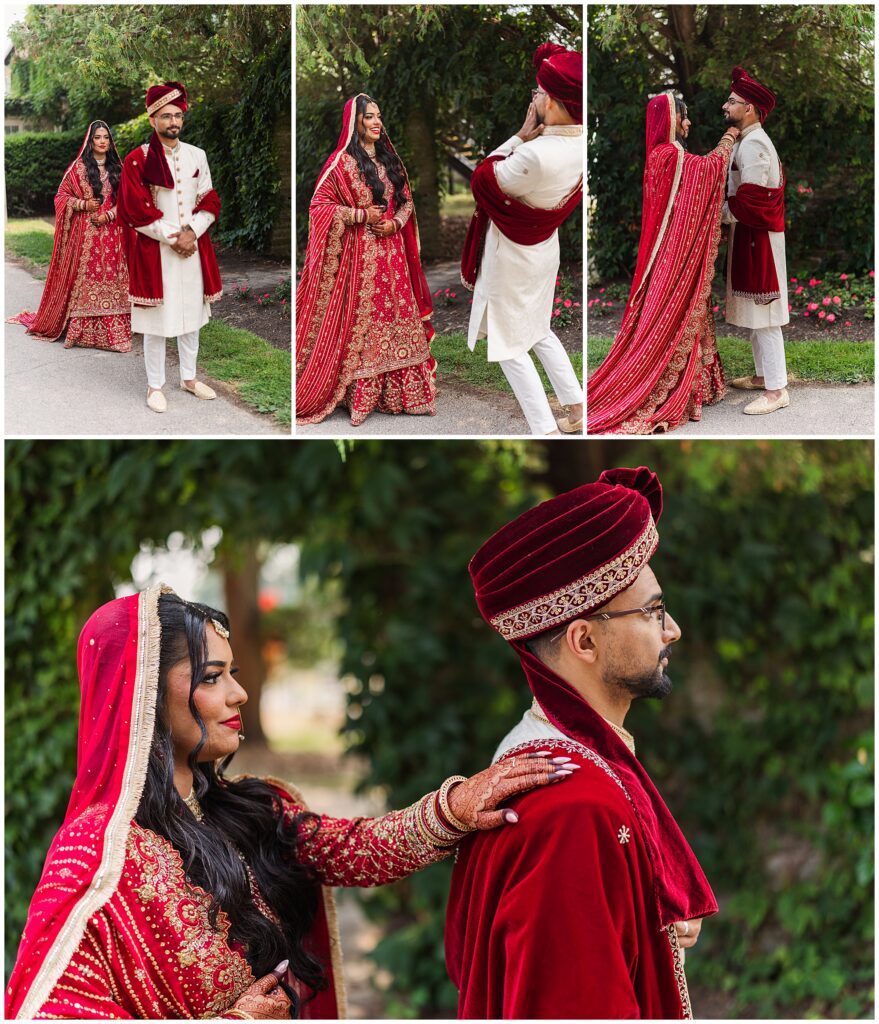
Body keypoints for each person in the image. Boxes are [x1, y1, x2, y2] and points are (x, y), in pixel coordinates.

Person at [6, 585, 572, 1019]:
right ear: (147, 695)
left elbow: (354, 850)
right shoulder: (95, 853)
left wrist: (455, 807)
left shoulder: (249, 808)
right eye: (212, 677)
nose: (239, 692)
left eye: (233, 673)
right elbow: (47, 1012)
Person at [445, 467, 717, 1018]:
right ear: (585, 640)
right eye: (654, 611)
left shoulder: (552, 755)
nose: (673, 631)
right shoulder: (573, 808)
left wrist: (650, 918)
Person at [587, 93, 737, 434]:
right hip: (672, 257)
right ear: (668, 119)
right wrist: (729, 138)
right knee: (676, 317)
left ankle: (700, 388)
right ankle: (675, 391)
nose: (688, 123)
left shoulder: (664, 154)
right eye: (683, 116)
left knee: (690, 313)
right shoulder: (669, 154)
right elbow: (708, 173)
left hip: (670, 254)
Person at [463, 43, 584, 435]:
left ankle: (544, 428)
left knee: (509, 345)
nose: (533, 97)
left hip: (512, 255)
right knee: (539, 329)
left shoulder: (536, 154)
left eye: (537, 91)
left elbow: (484, 178)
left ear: (550, 101)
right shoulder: (580, 144)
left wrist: (518, 136)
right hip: (543, 249)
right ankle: (577, 406)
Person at [296, 94, 436, 426]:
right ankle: (360, 395)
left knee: (397, 316)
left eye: (378, 116)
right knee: (368, 321)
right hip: (360, 259)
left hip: (394, 256)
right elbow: (318, 208)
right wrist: (359, 214)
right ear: (354, 122)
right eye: (368, 117)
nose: (376, 122)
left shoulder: (391, 160)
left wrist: (395, 223)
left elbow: (406, 203)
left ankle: (405, 395)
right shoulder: (340, 163)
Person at [118, 82, 222, 414]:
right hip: (156, 252)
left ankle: (189, 379)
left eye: (177, 115)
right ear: (152, 119)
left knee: (191, 316)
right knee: (157, 322)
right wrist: (173, 237)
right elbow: (134, 210)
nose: (173, 122)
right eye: (166, 116)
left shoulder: (197, 155)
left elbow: (209, 199)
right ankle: (155, 386)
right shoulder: (138, 160)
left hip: (193, 248)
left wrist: (192, 232)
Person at [8, 120, 131, 352]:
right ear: (90, 141)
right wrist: (84, 204)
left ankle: (116, 333)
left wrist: (108, 216)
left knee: (113, 278)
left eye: (106, 137)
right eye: (98, 137)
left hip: (113, 236)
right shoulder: (79, 168)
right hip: (86, 235)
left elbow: (126, 202)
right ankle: (83, 333)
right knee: (87, 279)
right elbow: (61, 197)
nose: (102, 141)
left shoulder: (118, 169)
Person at [721, 66, 789, 416]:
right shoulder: (747, 141)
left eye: (732, 101)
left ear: (749, 108)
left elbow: (753, 202)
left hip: (758, 238)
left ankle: (778, 391)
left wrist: (712, 214)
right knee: (756, 314)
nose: (725, 106)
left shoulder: (756, 145)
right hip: (749, 236)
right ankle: (764, 376)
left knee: (766, 316)